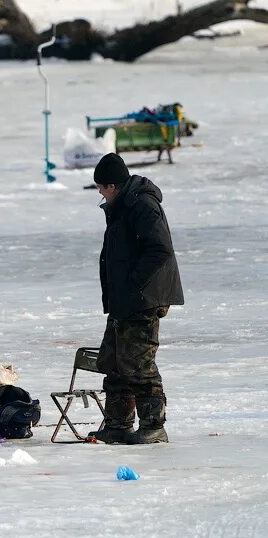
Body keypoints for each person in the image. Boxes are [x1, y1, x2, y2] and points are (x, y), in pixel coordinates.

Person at [89, 153, 184, 444]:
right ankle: (118, 423)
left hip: (143, 299)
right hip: (123, 300)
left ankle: (153, 425)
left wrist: (133, 285)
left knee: (138, 363)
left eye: (101, 187)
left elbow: (160, 249)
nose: (100, 193)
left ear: (113, 186)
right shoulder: (122, 207)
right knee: (114, 362)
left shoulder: (142, 204)